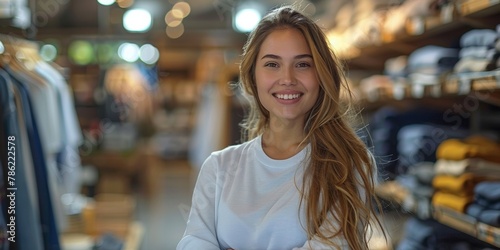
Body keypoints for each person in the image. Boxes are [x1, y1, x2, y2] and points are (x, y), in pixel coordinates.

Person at [177, 5, 385, 250]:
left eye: (303, 65)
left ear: (322, 75)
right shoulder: (219, 167)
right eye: (272, 64)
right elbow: (194, 242)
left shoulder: (348, 166)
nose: (287, 78)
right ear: (252, 76)